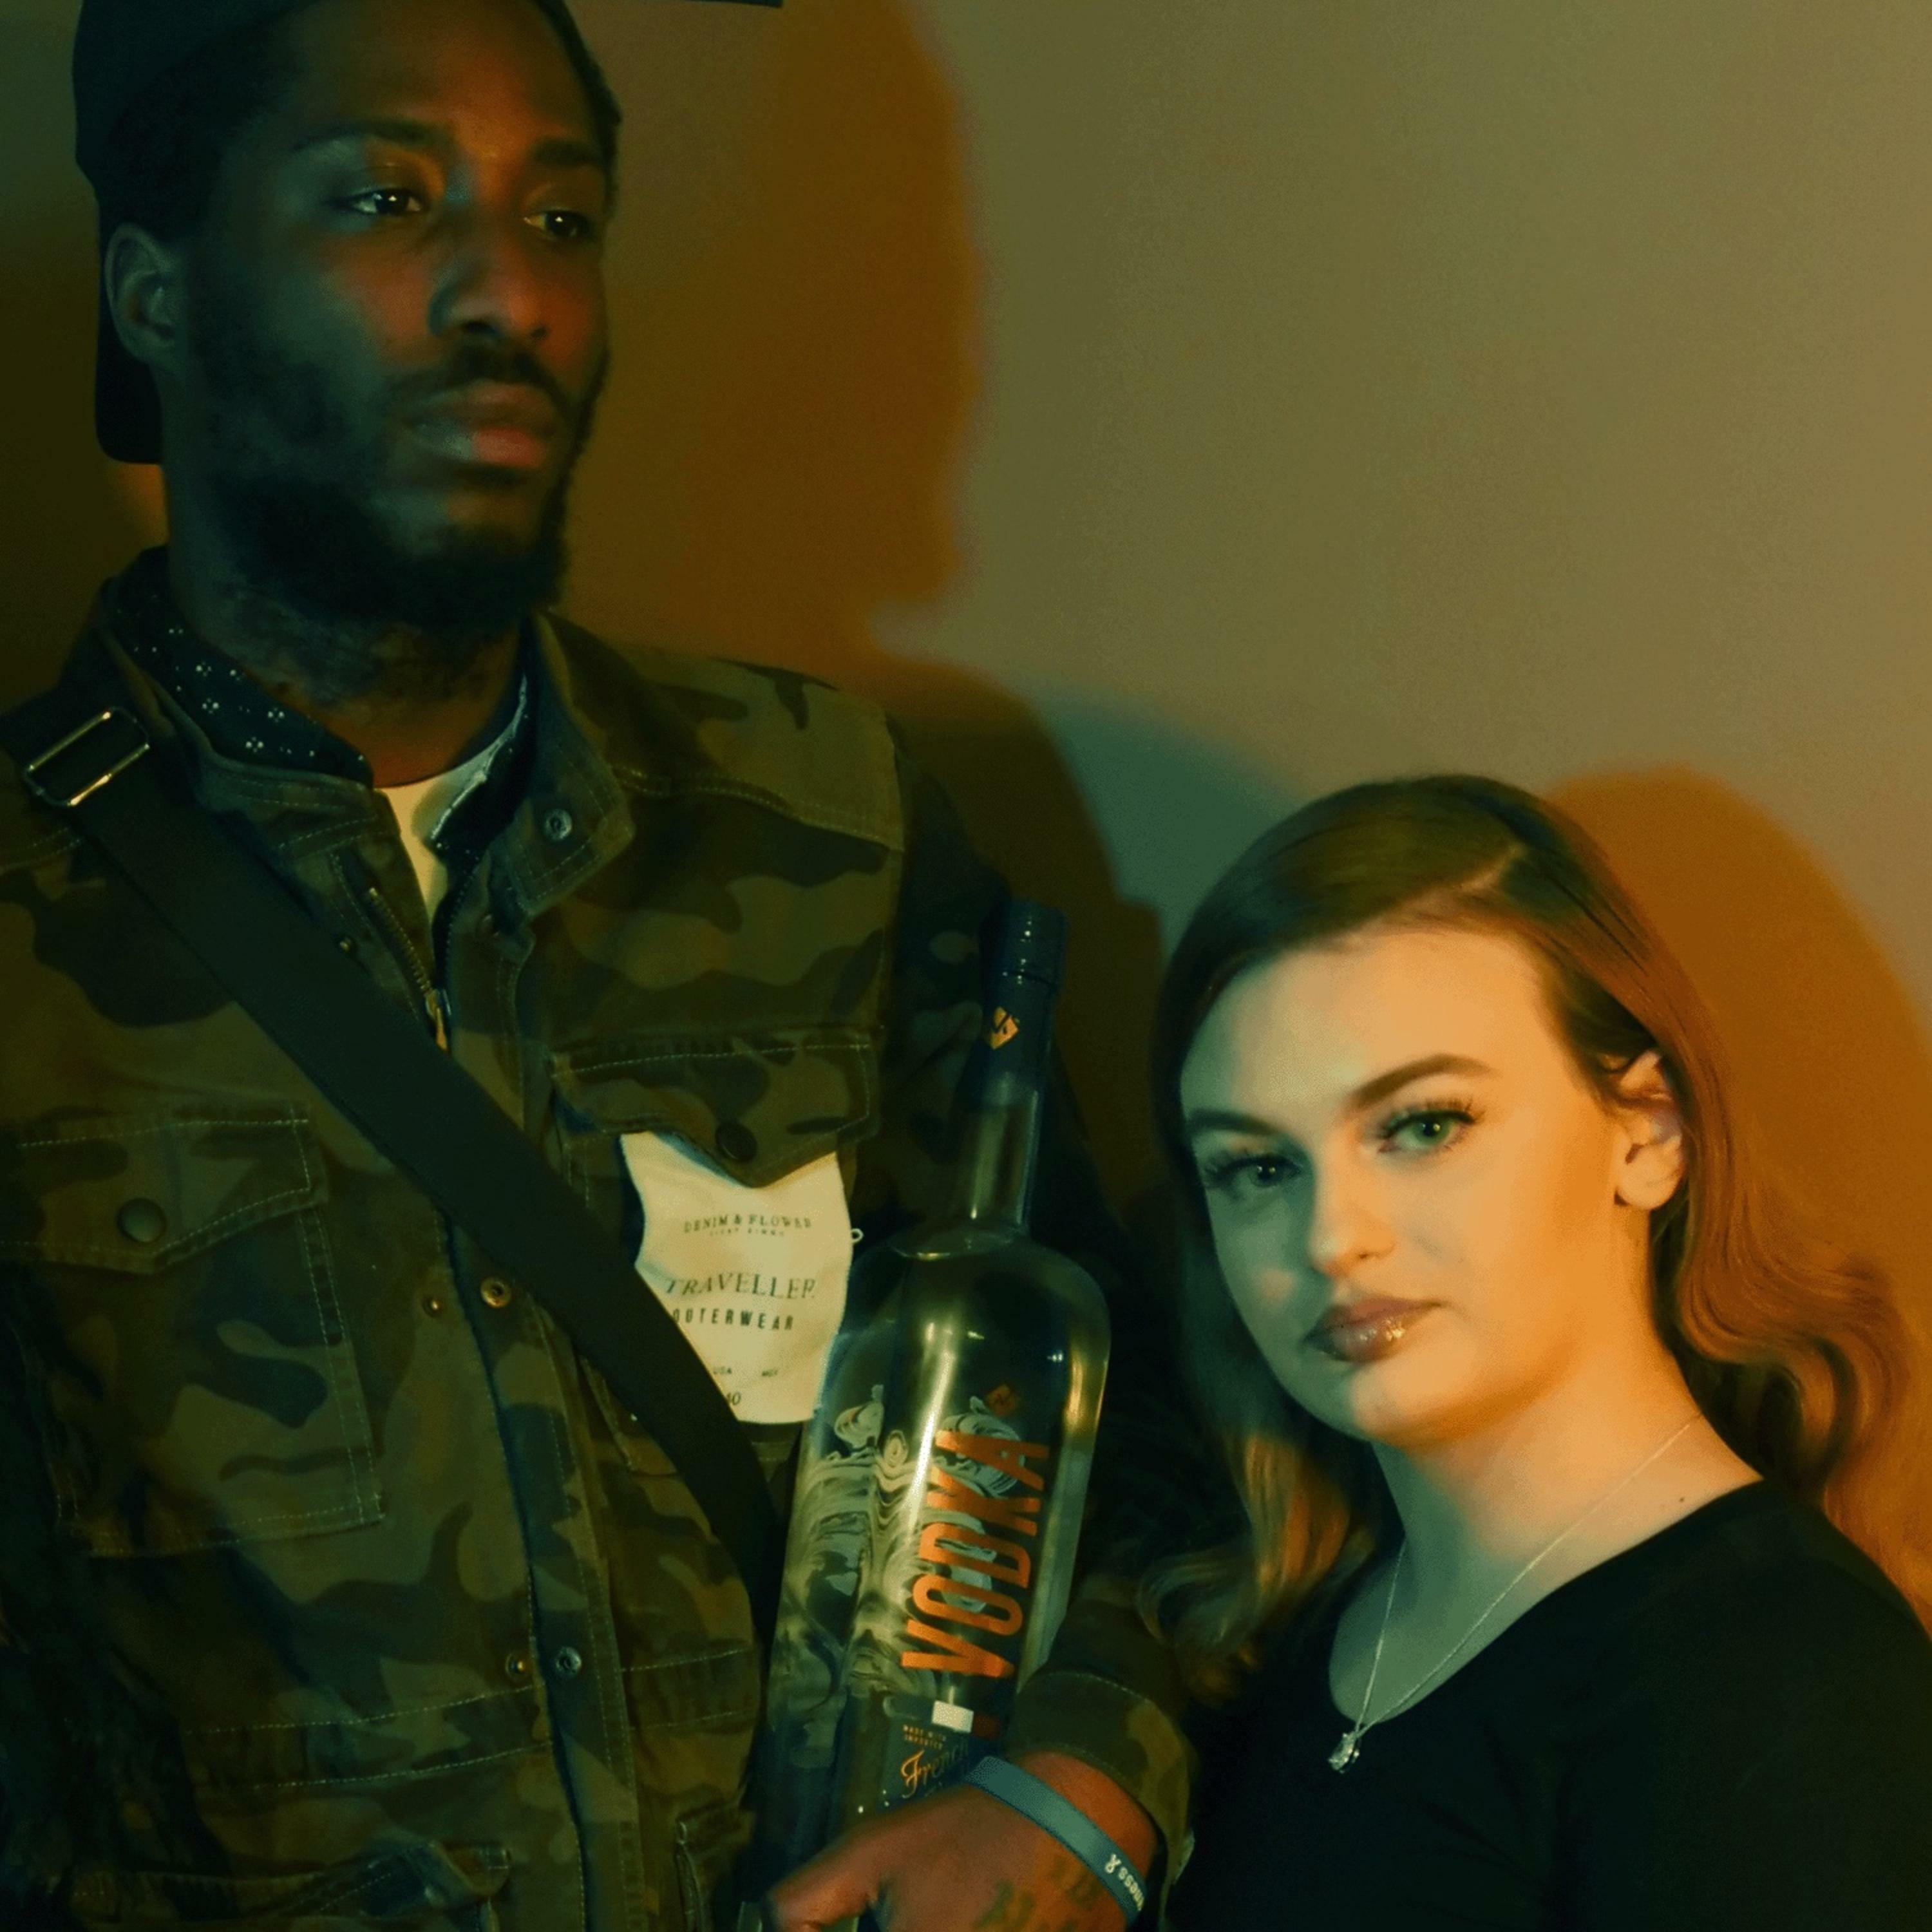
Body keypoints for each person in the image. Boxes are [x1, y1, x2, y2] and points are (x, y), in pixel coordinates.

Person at [0, 3, 1191, 1928]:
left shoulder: (831, 823)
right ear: (157, 290)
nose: (512, 295)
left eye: (561, 219)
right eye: (388, 198)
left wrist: (1081, 1784)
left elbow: (1133, 1415)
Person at [1147, 775, 1932, 1929]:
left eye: (1425, 1124)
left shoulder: (1778, 1672)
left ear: (1648, 1134)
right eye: (1258, 1168)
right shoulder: (1292, 1628)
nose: (1330, 1239)